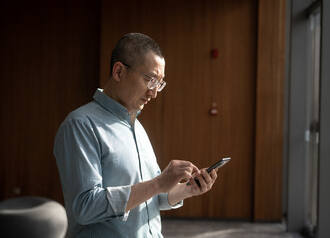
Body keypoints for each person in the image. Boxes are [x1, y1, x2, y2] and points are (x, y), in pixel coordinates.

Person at [54, 33, 218, 238]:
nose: (154, 92)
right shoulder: (80, 125)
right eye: (150, 80)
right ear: (119, 71)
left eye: (159, 84)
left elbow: (152, 198)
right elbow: (85, 208)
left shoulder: (137, 128)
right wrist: (157, 183)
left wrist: (188, 189)